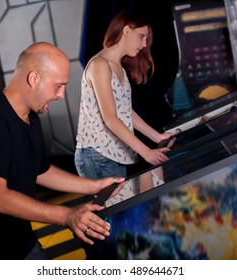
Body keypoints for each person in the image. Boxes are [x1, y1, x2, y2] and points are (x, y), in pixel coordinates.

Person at [0, 42, 125, 260]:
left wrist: (93, 186)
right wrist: (67, 215)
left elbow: (40, 171)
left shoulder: (30, 116)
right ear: (34, 78)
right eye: (58, 86)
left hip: (15, 243)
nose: (61, 95)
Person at [74, 11, 175, 202]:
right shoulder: (99, 65)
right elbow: (111, 118)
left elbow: (125, 111)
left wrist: (156, 136)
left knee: (140, 207)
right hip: (98, 155)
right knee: (122, 218)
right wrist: (145, 151)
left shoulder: (117, 66)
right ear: (127, 30)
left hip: (114, 152)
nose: (144, 44)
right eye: (141, 36)